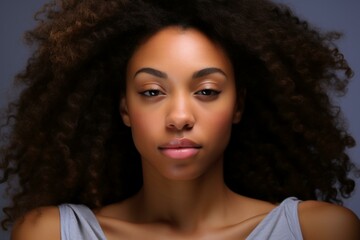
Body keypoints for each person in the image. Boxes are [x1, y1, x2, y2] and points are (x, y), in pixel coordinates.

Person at [1, 0, 359, 239]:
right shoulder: (52, 233)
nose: (180, 118)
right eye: (152, 92)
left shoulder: (318, 231)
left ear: (238, 106)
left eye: (206, 91)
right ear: (125, 108)